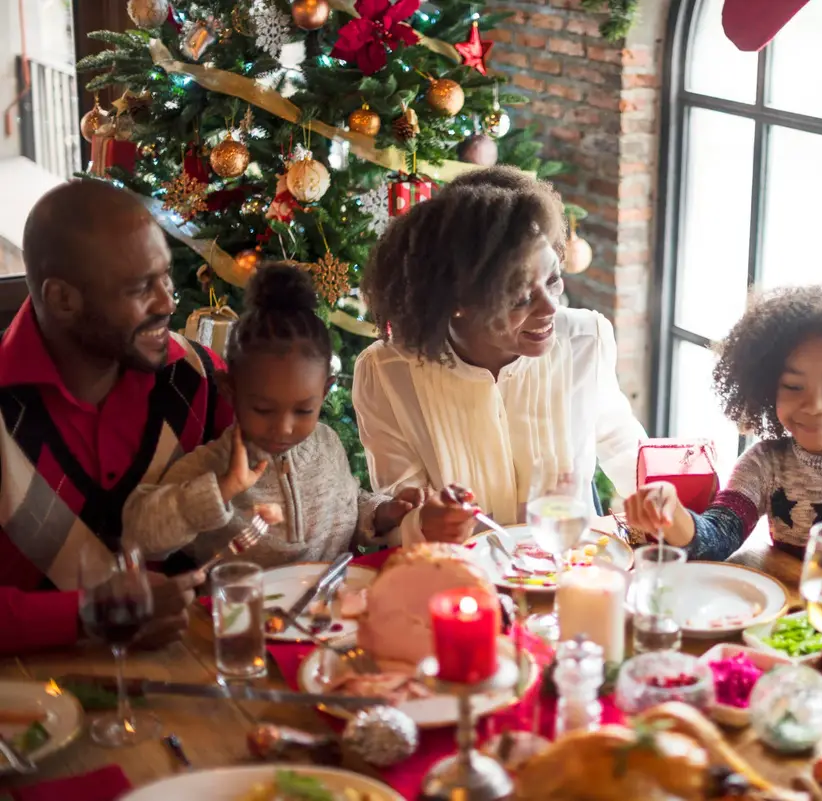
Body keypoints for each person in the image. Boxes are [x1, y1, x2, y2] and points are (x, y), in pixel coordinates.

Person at [625, 273, 822, 614]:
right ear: (769, 387)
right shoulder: (766, 462)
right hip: (800, 627)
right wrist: (671, 514)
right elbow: (716, 539)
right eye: (794, 387)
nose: (814, 406)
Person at [353, 166, 646, 545]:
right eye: (521, 297)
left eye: (553, 280)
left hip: (570, 575)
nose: (550, 308)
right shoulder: (387, 373)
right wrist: (423, 524)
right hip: (460, 586)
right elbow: (398, 516)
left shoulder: (585, 340)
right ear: (457, 302)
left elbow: (626, 449)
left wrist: (662, 498)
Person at [0, 181, 231, 655]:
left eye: (166, 277)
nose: (168, 301)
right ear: (63, 300)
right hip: (34, 711)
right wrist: (87, 617)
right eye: (140, 287)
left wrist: (385, 517)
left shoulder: (198, 379)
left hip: (197, 689)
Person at [123, 264, 419, 568]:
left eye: (304, 410)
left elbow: (348, 504)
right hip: (246, 612)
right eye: (263, 410)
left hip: (337, 604)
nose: (284, 428)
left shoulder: (327, 443)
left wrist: (381, 514)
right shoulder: (211, 467)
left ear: (325, 391)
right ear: (229, 391)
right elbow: (138, 535)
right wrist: (221, 489)